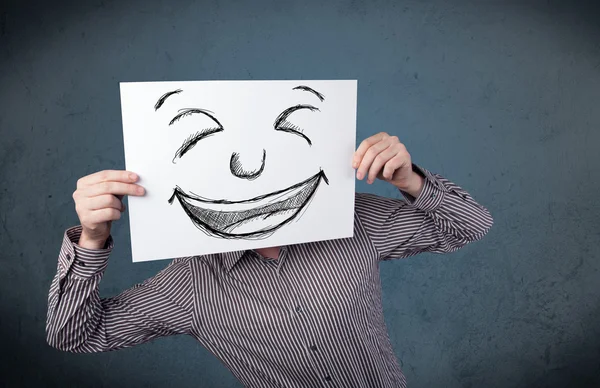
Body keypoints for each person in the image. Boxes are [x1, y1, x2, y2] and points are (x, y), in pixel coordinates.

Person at [46, 132, 493, 387]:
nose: (247, 170)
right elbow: (73, 333)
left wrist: (410, 178)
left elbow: (469, 225)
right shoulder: (190, 283)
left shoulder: (352, 219)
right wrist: (92, 238)